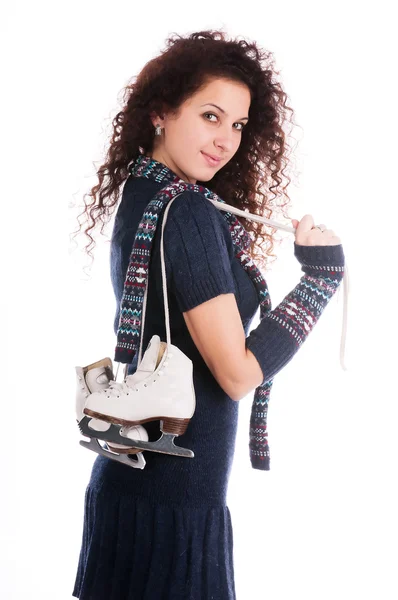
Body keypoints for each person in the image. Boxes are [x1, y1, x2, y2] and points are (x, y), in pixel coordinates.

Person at [72, 30, 344, 600]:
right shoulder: (187, 210)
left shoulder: (144, 195)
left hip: (139, 488)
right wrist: (319, 282)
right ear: (162, 112)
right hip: (173, 504)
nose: (225, 141)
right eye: (211, 116)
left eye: (239, 126)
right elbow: (238, 373)